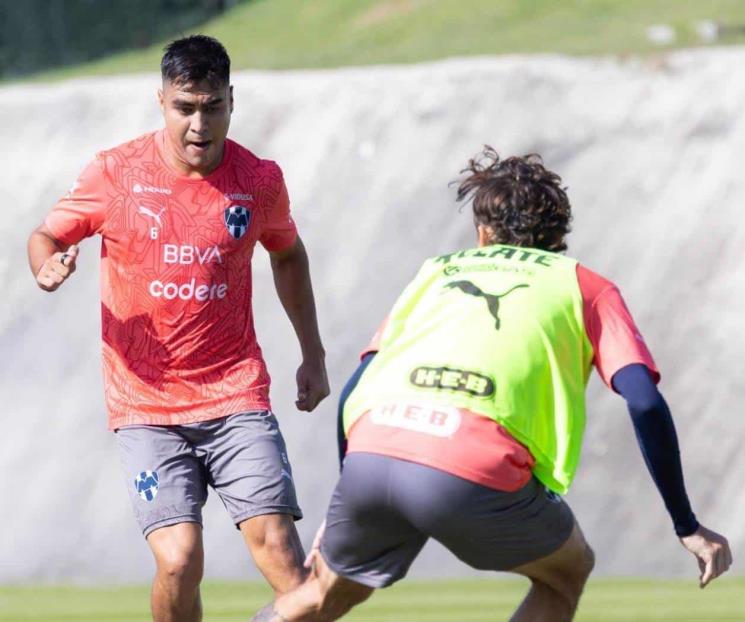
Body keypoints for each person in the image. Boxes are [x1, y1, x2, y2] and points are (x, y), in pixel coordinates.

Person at [251, 148, 732, 622]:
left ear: (483, 233)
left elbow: (359, 385)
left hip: (373, 453)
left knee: (319, 597)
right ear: (559, 235)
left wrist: (349, 492)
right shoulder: (585, 286)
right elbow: (644, 402)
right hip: (473, 466)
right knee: (567, 572)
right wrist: (685, 524)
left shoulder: (437, 273)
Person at [27, 35, 329, 622]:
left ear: (232, 102)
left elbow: (288, 254)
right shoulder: (115, 174)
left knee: (287, 566)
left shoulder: (259, 180)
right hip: (145, 403)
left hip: (235, 391)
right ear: (161, 101)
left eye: (211, 106)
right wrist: (46, 265)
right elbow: (46, 235)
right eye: (184, 107)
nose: (198, 123)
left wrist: (312, 355)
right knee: (178, 559)